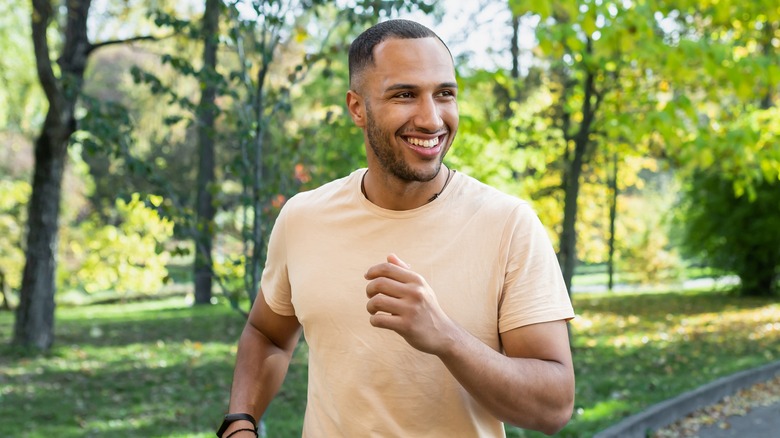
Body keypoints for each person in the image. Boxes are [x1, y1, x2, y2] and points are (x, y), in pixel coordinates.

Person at [216, 19, 575, 438]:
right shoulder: (303, 217)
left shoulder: (509, 225)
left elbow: (554, 407)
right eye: (405, 95)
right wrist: (240, 420)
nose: (431, 118)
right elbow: (267, 334)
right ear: (356, 108)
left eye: (444, 94)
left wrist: (445, 337)